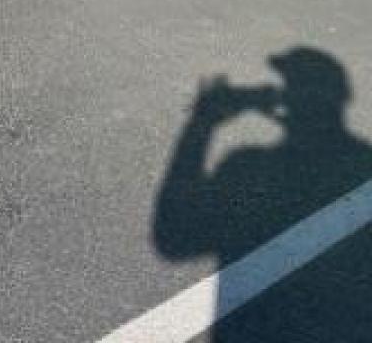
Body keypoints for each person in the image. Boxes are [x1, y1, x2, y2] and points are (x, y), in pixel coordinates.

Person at [153, 48, 372, 341]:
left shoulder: (249, 166)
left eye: (290, 87)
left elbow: (174, 238)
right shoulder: (363, 163)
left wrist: (202, 123)